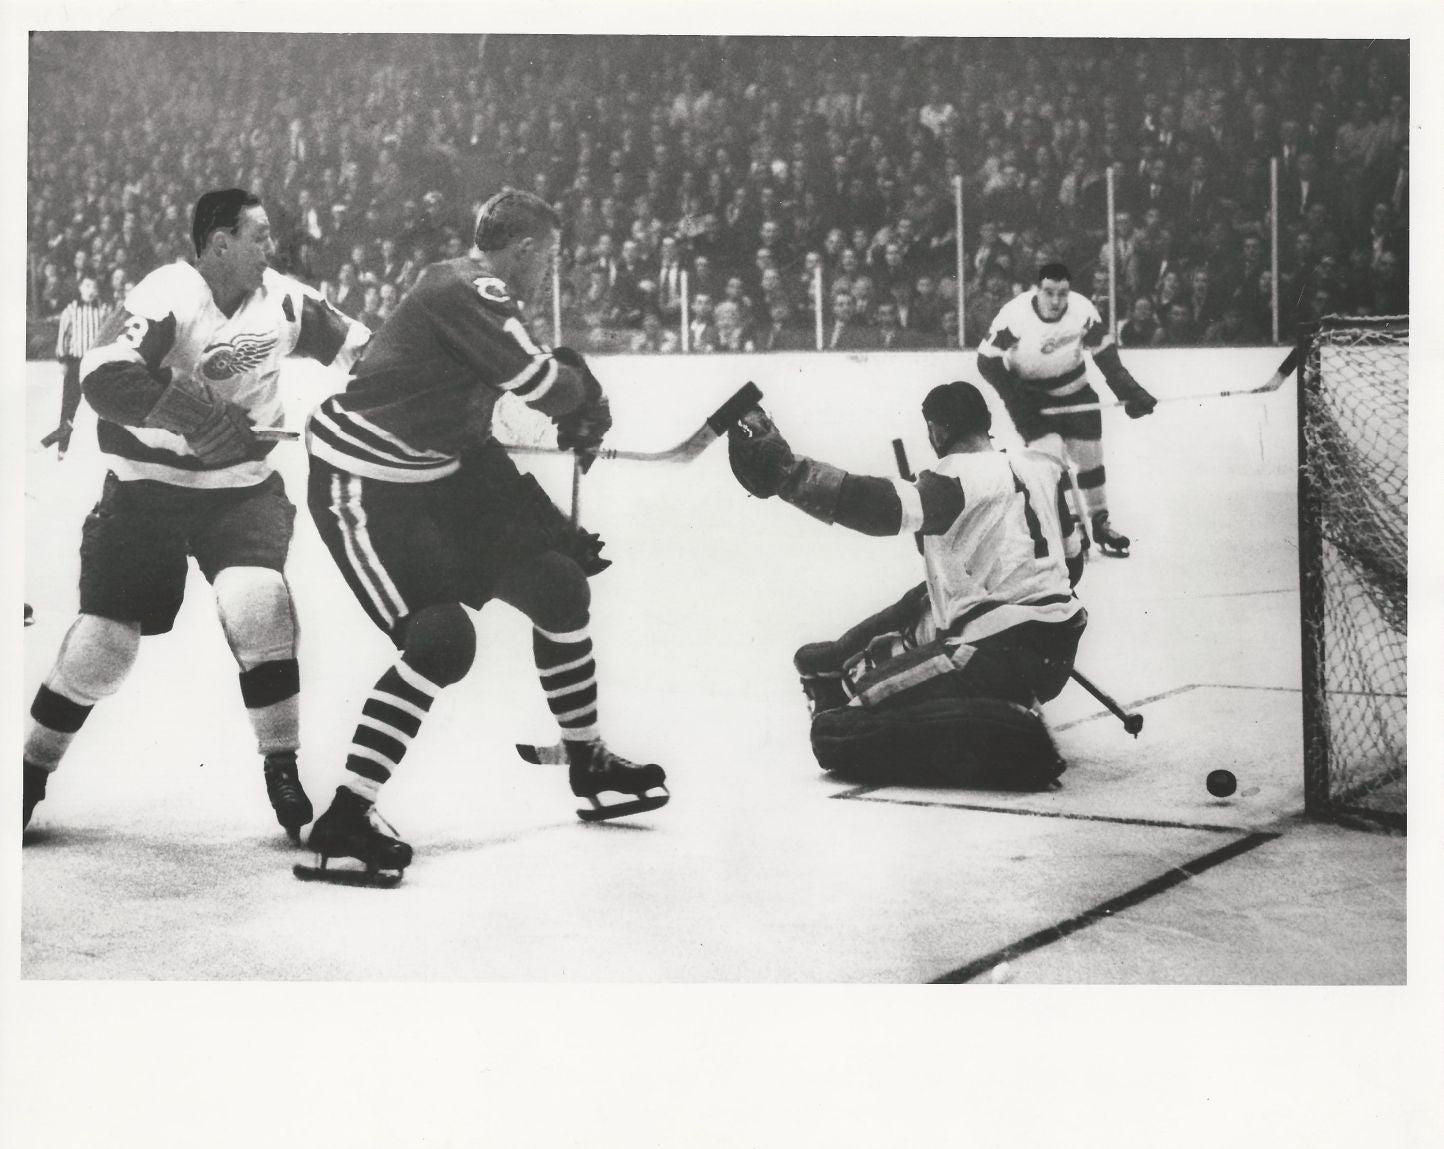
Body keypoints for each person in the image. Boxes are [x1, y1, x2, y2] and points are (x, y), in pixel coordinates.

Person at [301, 188, 667, 884]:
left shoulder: (470, 296)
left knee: (560, 588)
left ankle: (586, 760)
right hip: (363, 485)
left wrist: (545, 526)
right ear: (524, 249)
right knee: (441, 642)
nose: (550, 273)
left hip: (442, 472)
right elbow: (542, 386)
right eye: (550, 258)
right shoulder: (467, 286)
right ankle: (345, 814)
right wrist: (584, 394)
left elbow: (482, 431)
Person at [23, 188, 372, 834]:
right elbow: (104, 375)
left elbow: (366, 350)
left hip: (239, 491)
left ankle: (281, 764)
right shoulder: (166, 294)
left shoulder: (287, 301)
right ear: (220, 244)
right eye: (259, 236)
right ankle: (28, 773)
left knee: (258, 601)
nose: (272, 249)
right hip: (144, 490)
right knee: (105, 646)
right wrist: (200, 416)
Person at [726, 381, 1087, 789]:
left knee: (834, 732)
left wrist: (790, 476)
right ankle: (845, 664)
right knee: (923, 599)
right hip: (1060, 647)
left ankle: (1009, 733)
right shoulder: (1043, 468)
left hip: (990, 659)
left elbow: (872, 505)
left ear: (937, 429)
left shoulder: (952, 478)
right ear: (986, 424)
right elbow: (1073, 565)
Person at [975, 262, 1157, 556]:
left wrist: (1131, 392)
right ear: (1036, 290)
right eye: (1049, 293)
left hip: (1076, 392)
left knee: (1090, 458)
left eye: (1062, 293)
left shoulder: (1082, 311)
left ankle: (1100, 523)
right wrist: (1017, 398)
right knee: (1052, 458)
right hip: (1031, 399)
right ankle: (1071, 526)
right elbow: (986, 361)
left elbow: (1106, 357)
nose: (1057, 301)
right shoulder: (1015, 315)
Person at [43, 275, 111, 459]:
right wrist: (63, 360)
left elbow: (110, 336)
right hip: (75, 362)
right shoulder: (71, 310)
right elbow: (62, 337)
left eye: (94, 286)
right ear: (80, 287)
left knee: (105, 406)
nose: (90, 290)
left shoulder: (105, 310)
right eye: (87, 285)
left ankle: (107, 450)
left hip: (96, 363)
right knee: (69, 406)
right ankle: (61, 449)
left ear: (98, 290)